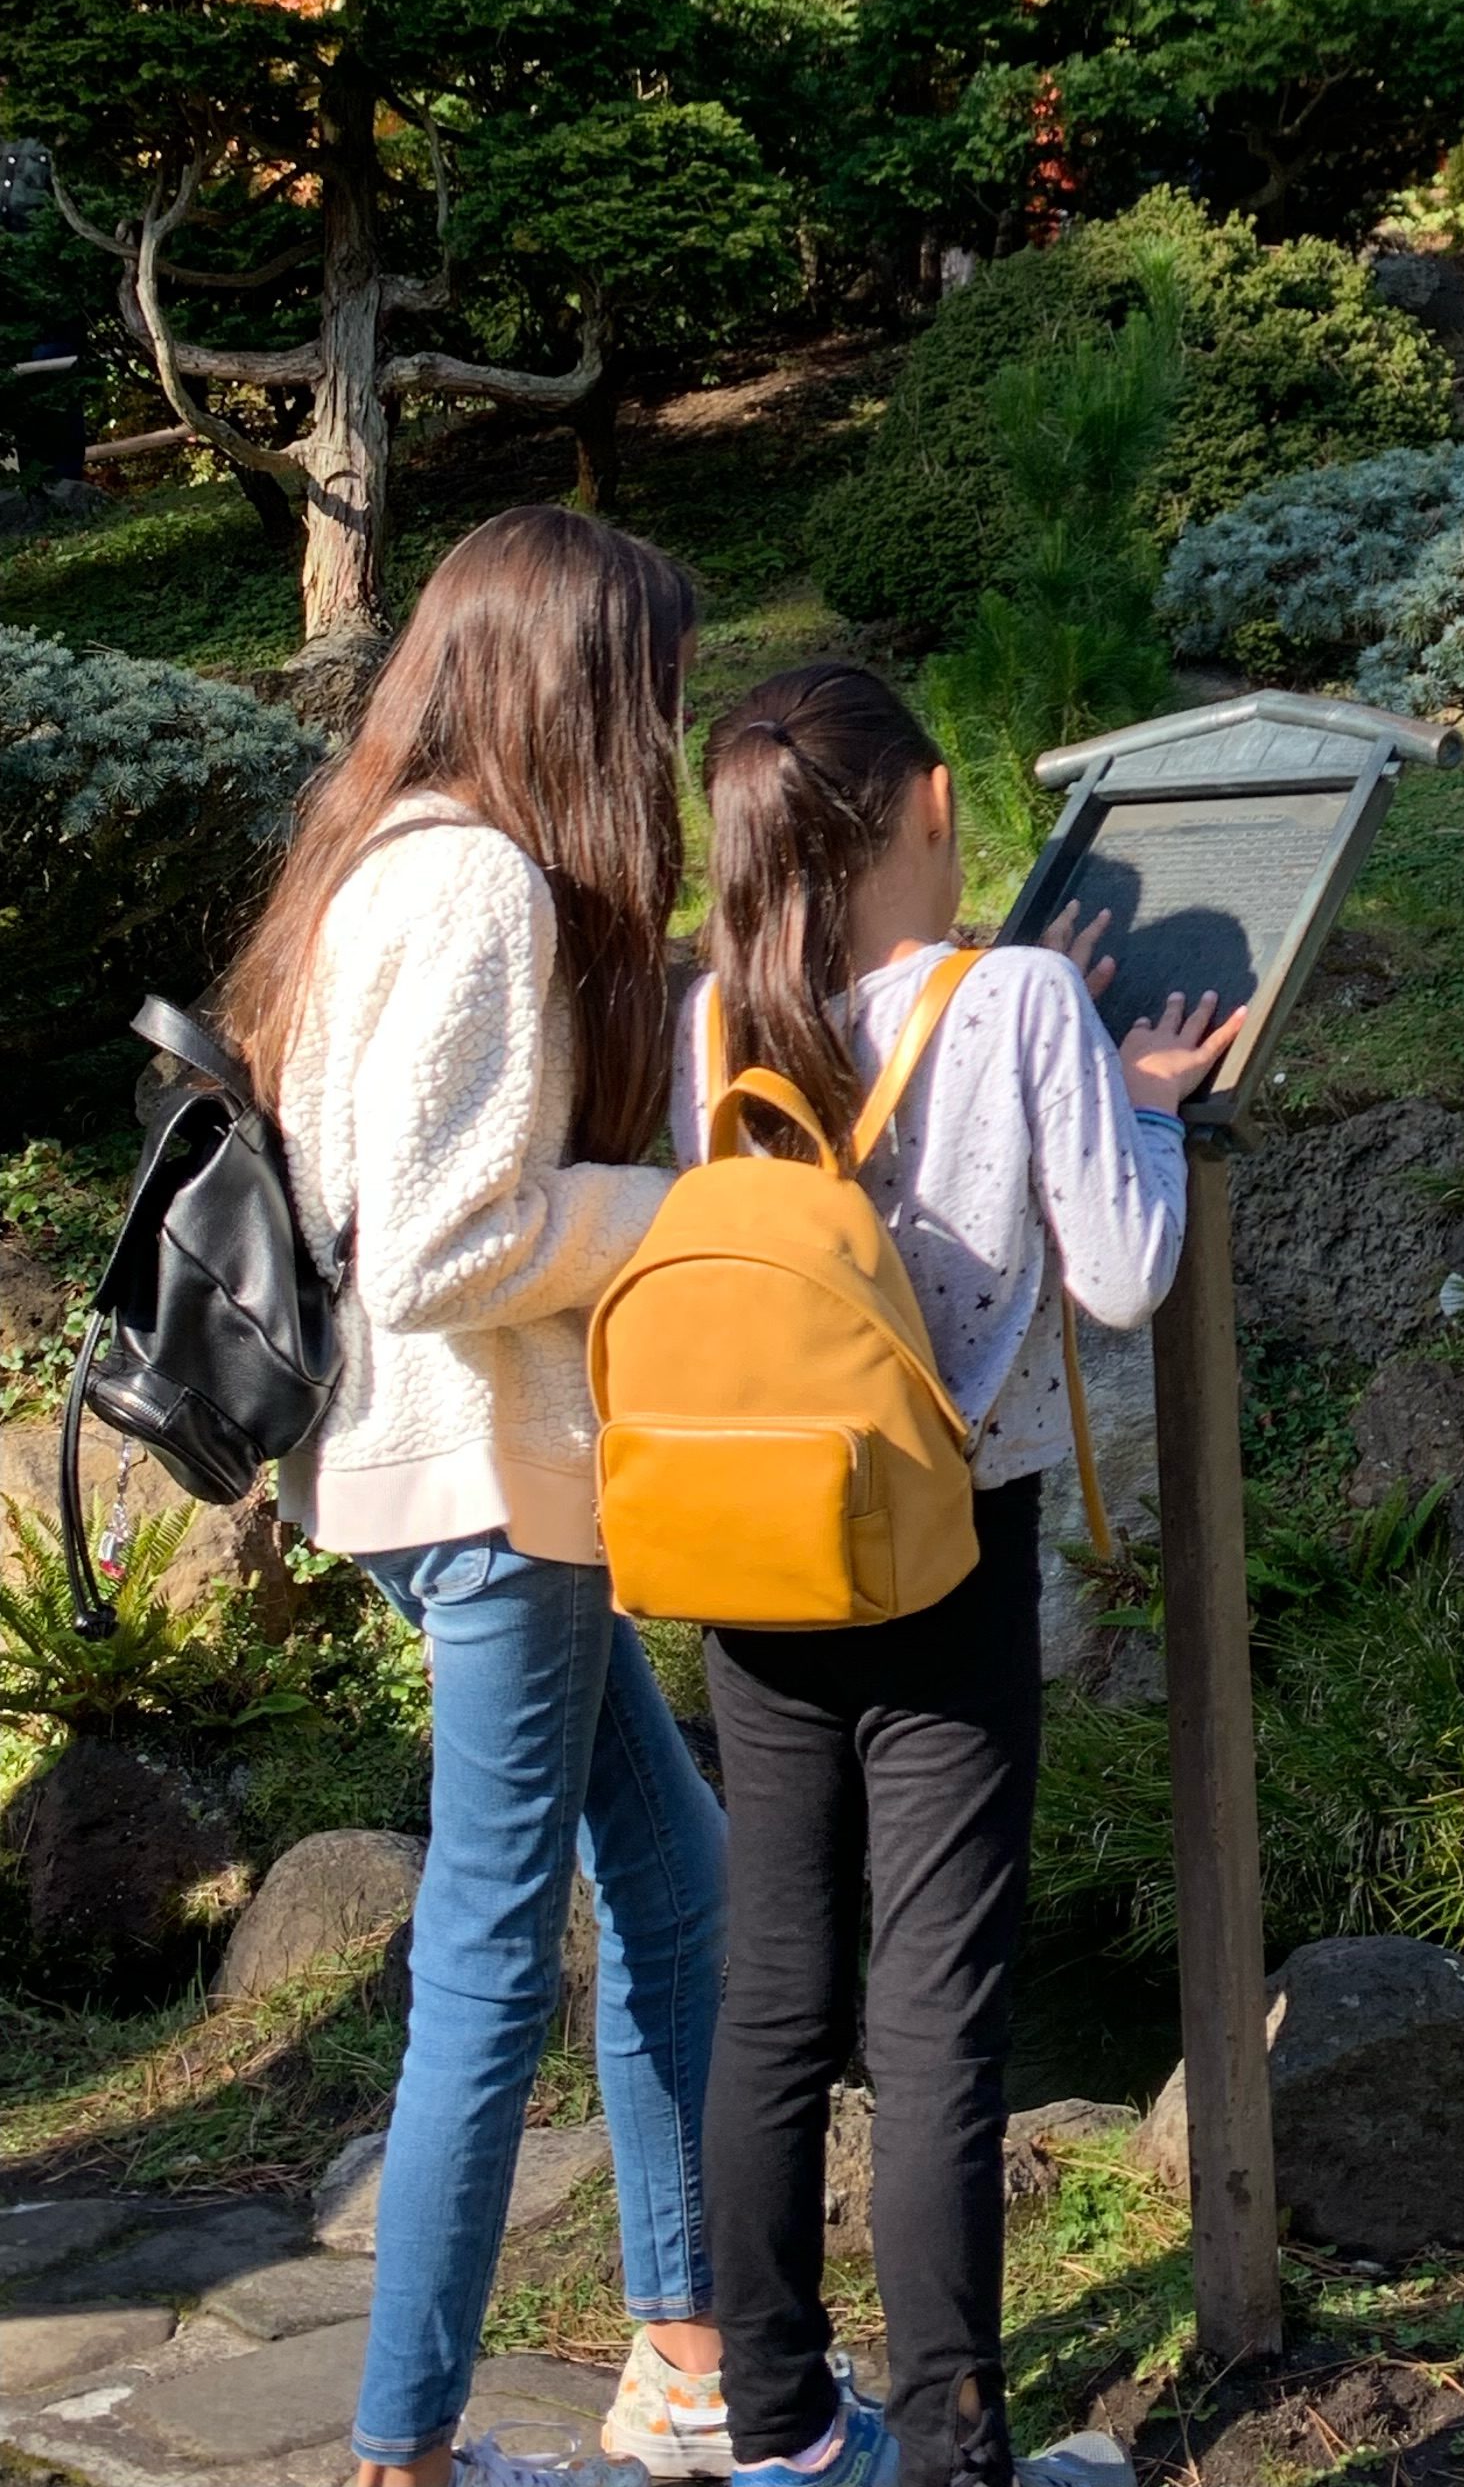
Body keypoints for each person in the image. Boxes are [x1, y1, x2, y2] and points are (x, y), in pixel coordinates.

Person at [679, 660, 1233, 2487]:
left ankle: (772, 2430)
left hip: (748, 1544)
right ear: (931, 803)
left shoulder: (713, 1020)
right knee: (935, 2007)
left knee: (775, 1983)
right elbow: (1128, 1270)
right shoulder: (1015, 1007)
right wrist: (1135, 1094)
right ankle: (951, 2456)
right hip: (941, 1551)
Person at [224, 509, 733, 2487]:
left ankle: (682, 2357)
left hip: (453, 1479)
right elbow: (437, 1240)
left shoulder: (385, 859)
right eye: (659, 689)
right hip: (486, 1488)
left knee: (675, 1887)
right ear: (581, 688)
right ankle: (405, 2451)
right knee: (494, 1965)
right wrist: (678, 1215)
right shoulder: (485, 890)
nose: (670, 732)